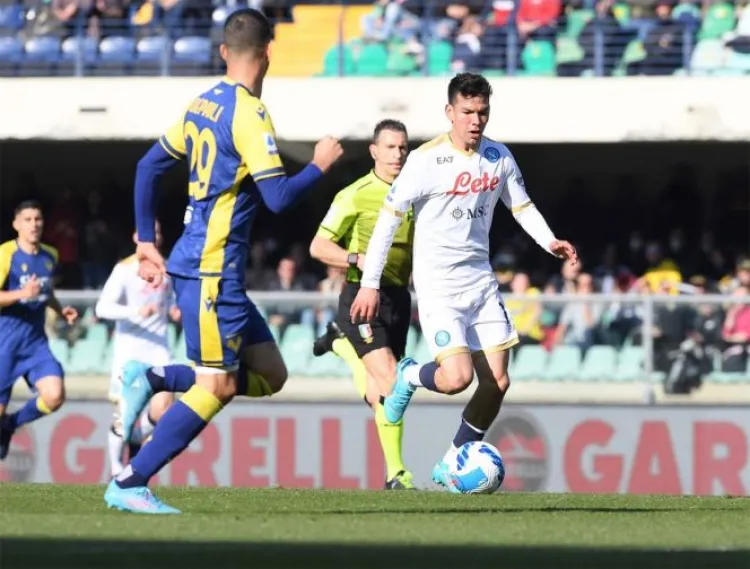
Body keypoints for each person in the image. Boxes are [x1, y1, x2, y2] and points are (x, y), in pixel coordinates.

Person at [104, 7, 343, 514]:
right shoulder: (251, 114)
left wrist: (146, 238)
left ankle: (153, 379)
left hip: (211, 269)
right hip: (211, 269)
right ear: (270, 52)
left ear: (222, 52)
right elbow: (277, 198)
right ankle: (129, 480)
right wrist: (319, 167)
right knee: (219, 384)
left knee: (271, 374)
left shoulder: (202, 103)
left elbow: (149, 166)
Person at [349, 72, 577, 492]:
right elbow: (387, 222)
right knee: (456, 379)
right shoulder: (424, 161)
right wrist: (370, 283)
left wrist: (551, 242)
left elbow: (521, 207)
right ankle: (409, 377)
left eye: (482, 112)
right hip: (439, 285)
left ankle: (454, 459)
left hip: (481, 282)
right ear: (450, 112)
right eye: (468, 112)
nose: (476, 120)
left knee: (498, 382)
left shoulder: (499, 157)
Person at [309, 119, 414, 490]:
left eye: (402, 147)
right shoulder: (355, 194)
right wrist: (357, 260)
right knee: (392, 383)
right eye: (390, 147)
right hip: (362, 297)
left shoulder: (416, 192)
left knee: (377, 395)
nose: (397, 154)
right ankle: (397, 474)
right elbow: (318, 247)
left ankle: (340, 344)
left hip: (400, 298)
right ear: (374, 151)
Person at [94, 221, 183, 479]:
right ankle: (115, 469)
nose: (154, 236)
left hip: (159, 351)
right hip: (129, 353)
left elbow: (170, 302)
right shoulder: (123, 270)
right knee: (125, 414)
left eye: (157, 232)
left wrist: (175, 311)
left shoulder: (167, 269)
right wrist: (136, 311)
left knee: (164, 409)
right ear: (136, 236)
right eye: (148, 232)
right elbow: (102, 309)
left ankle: (135, 443)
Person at [0, 200, 78, 460]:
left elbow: (45, 292)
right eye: (27, 220)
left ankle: (9, 426)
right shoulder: (5, 254)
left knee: (55, 396)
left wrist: (59, 309)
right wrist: (22, 293)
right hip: (4, 344)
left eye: (38, 219)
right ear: (16, 225)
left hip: (35, 344)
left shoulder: (50, 255)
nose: (34, 225)